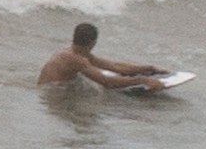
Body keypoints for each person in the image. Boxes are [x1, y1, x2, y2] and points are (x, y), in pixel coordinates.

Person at [39, 21, 171, 95]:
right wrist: (143, 80)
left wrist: (148, 68)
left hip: (53, 89)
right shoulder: (75, 59)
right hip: (53, 95)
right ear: (93, 43)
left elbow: (114, 66)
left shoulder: (75, 53)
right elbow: (107, 83)